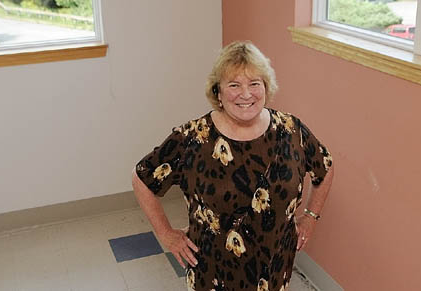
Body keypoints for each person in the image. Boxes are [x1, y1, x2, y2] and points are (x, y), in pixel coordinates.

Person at [132, 41, 335, 291]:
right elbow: (141, 179)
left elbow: (325, 167)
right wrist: (165, 233)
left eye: (254, 84)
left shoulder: (292, 131)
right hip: (213, 275)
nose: (246, 94)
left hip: (274, 272)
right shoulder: (193, 138)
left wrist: (311, 217)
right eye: (234, 85)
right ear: (218, 91)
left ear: (266, 87)